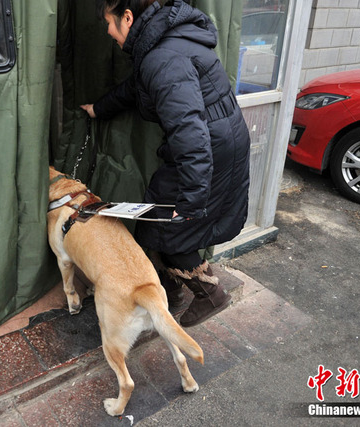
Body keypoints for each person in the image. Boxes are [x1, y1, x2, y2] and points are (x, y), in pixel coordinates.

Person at [81, 0, 250, 327]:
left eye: (109, 22)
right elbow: (138, 87)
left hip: (209, 150)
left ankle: (210, 294)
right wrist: (99, 108)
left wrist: (190, 201)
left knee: (172, 229)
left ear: (127, 18)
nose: (107, 30)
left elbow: (189, 130)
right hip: (211, 141)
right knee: (156, 223)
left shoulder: (162, 56)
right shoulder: (159, 44)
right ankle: (168, 288)